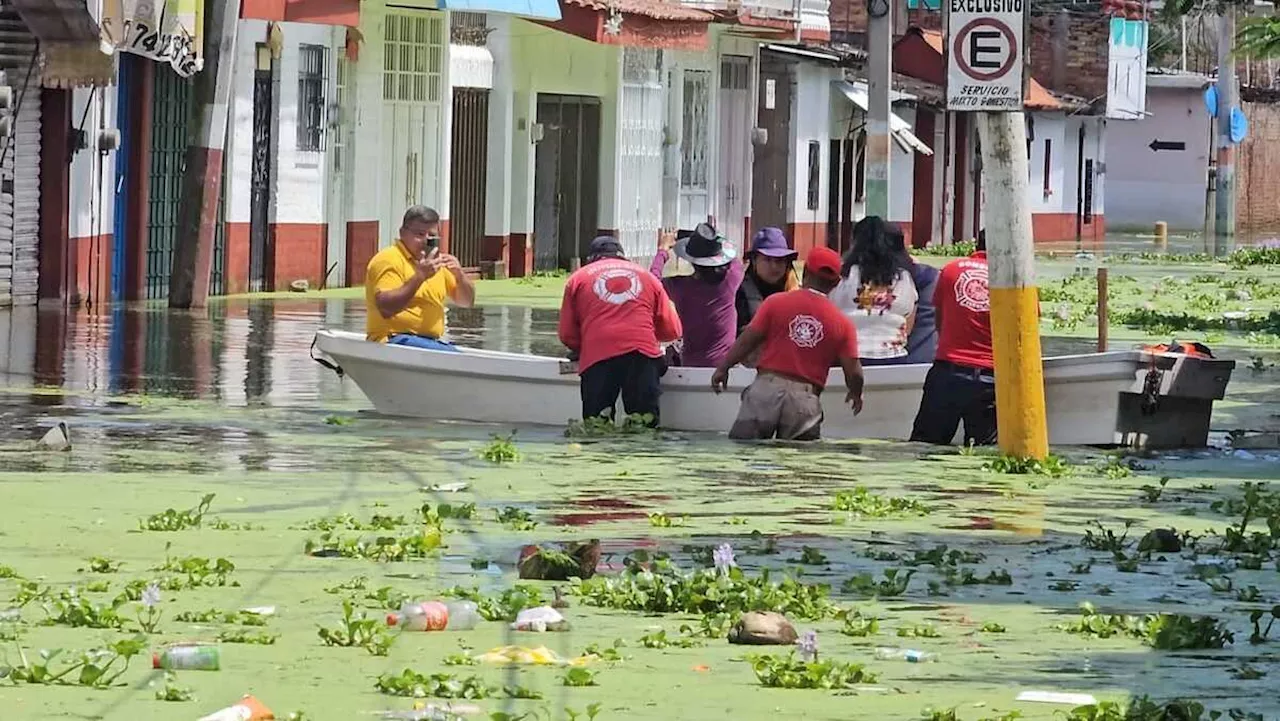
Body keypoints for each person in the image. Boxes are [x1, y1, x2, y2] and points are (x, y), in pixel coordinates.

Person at [711, 246, 864, 441]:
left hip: (765, 389)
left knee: (745, 453)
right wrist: (855, 392)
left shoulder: (775, 303)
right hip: (805, 398)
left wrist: (724, 368)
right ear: (836, 282)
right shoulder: (843, 324)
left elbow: (747, 340)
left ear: (805, 272)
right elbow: (854, 371)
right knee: (798, 464)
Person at [559, 236, 683, 426]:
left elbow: (567, 335)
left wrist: (587, 345)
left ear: (591, 258)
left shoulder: (577, 279)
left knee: (596, 426)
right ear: (622, 257)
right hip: (642, 355)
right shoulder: (648, 277)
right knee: (644, 427)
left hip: (597, 356)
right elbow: (672, 330)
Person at [909, 230, 995, 446]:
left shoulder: (950, 270)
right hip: (990, 376)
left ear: (977, 245)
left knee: (926, 448)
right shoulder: (1015, 278)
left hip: (947, 371)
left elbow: (940, 320)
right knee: (982, 455)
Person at [365, 205, 476, 350]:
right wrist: (420, 276)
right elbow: (386, 308)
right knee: (453, 356)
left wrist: (460, 276)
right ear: (402, 233)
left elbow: (466, 302)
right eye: (419, 234)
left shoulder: (438, 263)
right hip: (393, 339)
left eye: (431, 236)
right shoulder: (388, 259)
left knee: (456, 353)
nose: (425, 241)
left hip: (429, 342)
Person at [648, 223, 744, 368]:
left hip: (691, 364)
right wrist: (711, 241)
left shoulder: (679, 287)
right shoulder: (731, 279)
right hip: (725, 365)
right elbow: (734, 258)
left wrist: (662, 251)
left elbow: (651, 283)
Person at [829, 216, 918, 362]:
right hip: (894, 356)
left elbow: (829, 315)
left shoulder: (842, 277)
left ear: (854, 242)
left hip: (848, 358)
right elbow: (909, 320)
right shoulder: (903, 278)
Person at [735, 227, 799, 335]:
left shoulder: (794, 292)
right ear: (754, 261)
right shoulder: (740, 294)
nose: (774, 267)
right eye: (767, 260)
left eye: (779, 261)